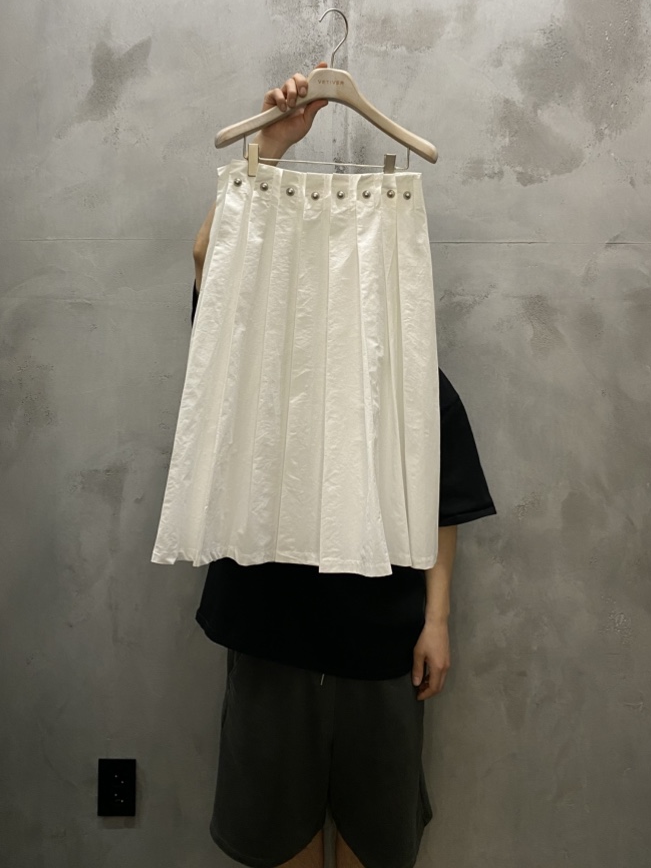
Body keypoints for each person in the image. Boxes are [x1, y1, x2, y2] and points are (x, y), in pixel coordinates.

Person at [189, 64, 496, 868]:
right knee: (276, 847)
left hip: (380, 646)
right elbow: (211, 259)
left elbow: (443, 507)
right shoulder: (257, 355)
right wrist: (271, 150)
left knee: (375, 847)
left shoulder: (415, 383)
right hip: (269, 632)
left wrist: (436, 621)